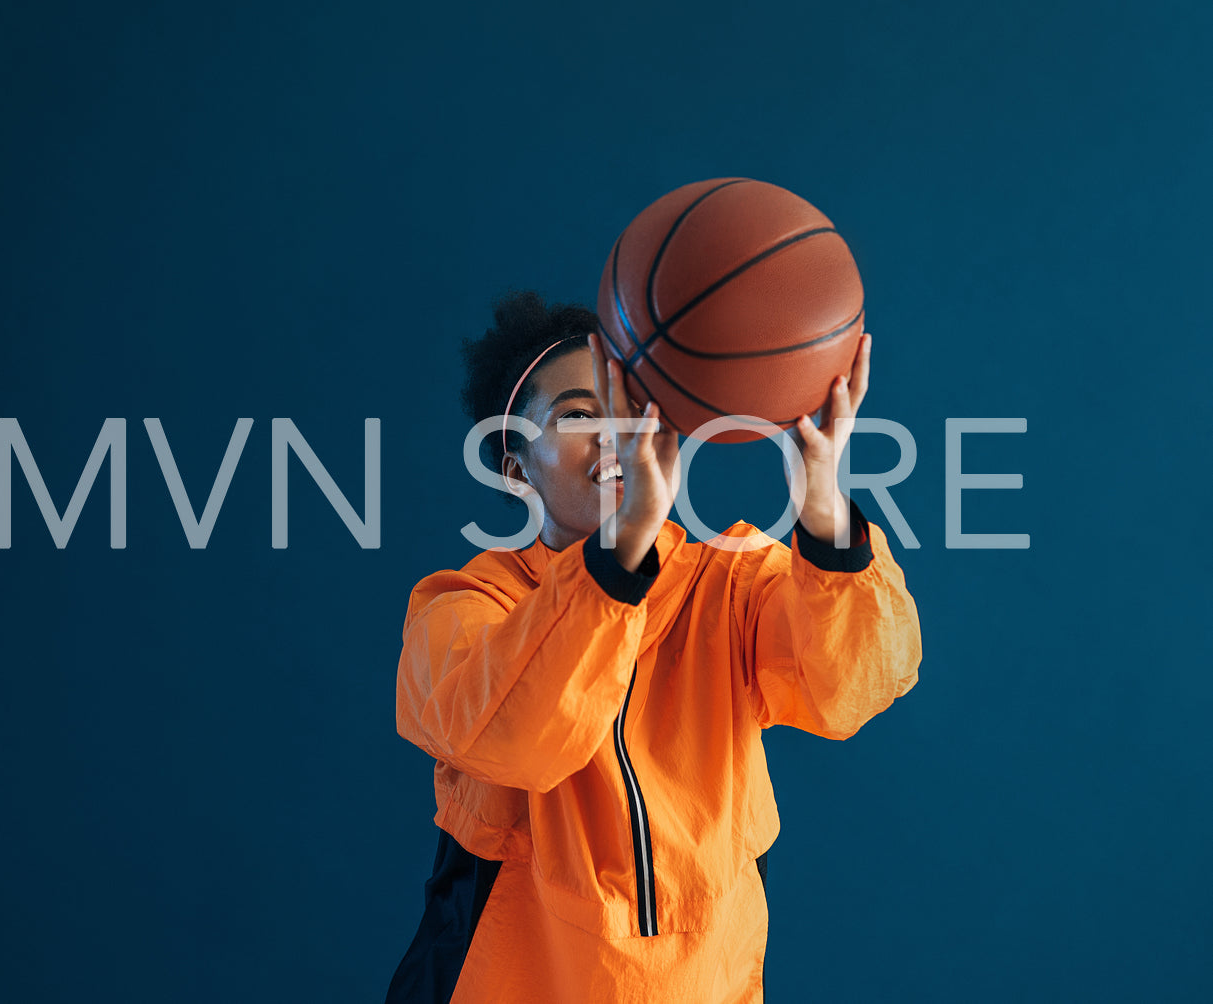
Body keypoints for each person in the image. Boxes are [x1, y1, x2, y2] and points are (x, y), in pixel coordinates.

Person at [385, 290, 921, 1003]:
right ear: (515, 467)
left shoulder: (730, 584)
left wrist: (823, 504)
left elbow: (852, 685)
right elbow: (514, 739)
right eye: (578, 414)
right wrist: (622, 548)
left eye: (629, 411)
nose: (613, 436)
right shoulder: (462, 609)